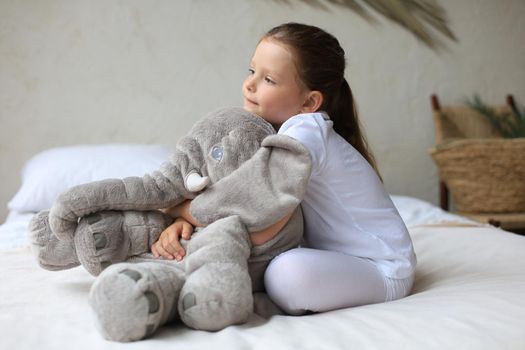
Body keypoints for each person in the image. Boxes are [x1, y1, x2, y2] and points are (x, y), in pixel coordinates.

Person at [152, 22, 416, 315]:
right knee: (273, 262)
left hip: (383, 269)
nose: (250, 84)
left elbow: (262, 220)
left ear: (309, 102)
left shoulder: (305, 134)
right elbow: (230, 192)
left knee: (285, 273)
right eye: (252, 71)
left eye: (269, 79)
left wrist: (179, 209)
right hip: (333, 260)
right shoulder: (267, 135)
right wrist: (186, 225)